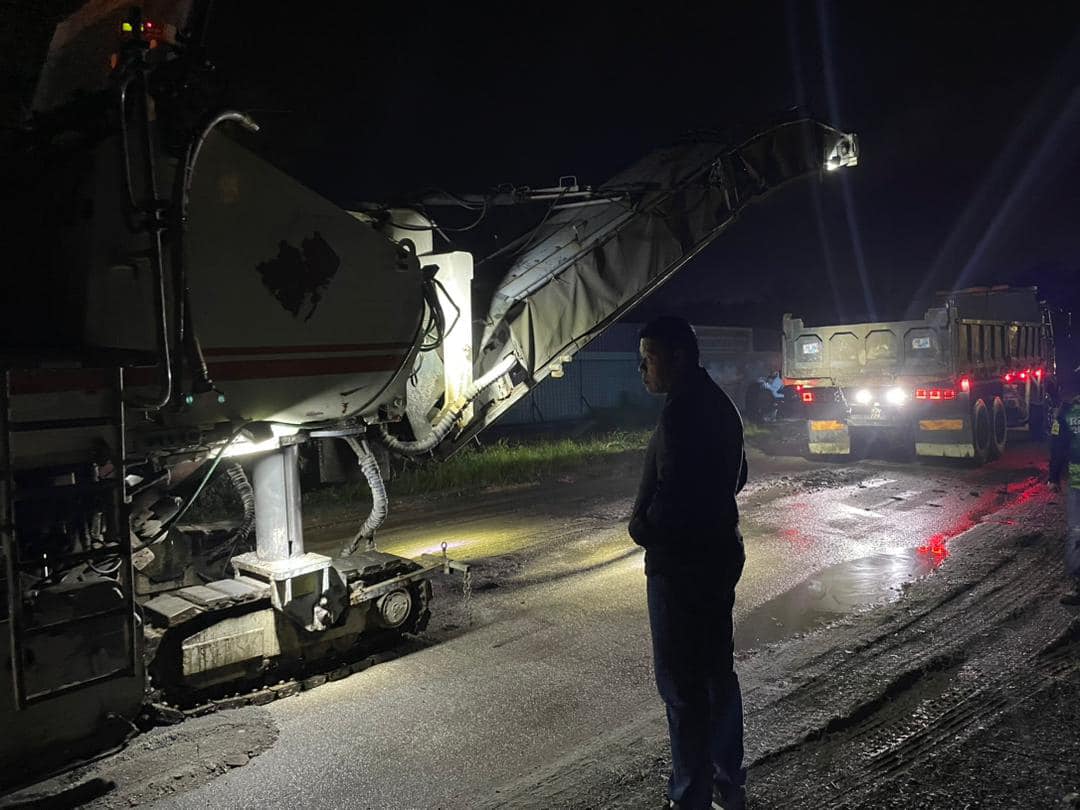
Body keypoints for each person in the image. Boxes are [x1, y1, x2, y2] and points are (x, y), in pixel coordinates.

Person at [629, 316, 749, 810]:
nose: (642, 368)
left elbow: (673, 501)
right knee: (717, 673)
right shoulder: (719, 404)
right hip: (717, 556)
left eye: (650, 356)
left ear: (678, 356)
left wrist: (642, 528)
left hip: (681, 569)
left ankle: (690, 797)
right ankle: (726, 783)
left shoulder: (682, 415)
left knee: (681, 687)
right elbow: (738, 476)